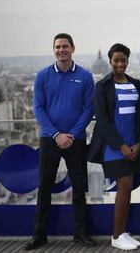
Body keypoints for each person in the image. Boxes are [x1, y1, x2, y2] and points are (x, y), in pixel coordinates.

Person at [24, 33, 95, 250]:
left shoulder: (85, 76)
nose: (61, 50)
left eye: (65, 46)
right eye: (57, 47)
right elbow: (38, 108)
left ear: (73, 48)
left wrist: (71, 134)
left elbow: (89, 108)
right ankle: (39, 235)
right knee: (44, 187)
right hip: (49, 138)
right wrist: (56, 134)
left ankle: (80, 233)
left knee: (79, 187)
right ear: (53, 49)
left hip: (76, 139)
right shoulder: (42, 76)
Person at [87, 43, 140, 250]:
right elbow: (102, 121)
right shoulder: (102, 86)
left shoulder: (136, 84)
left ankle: (122, 231)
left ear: (128, 61)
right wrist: (121, 145)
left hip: (133, 145)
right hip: (114, 146)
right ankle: (116, 235)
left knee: (127, 188)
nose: (120, 63)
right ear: (110, 61)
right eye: (116, 60)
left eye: (123, 60)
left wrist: (138, 143)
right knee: (125, 187)